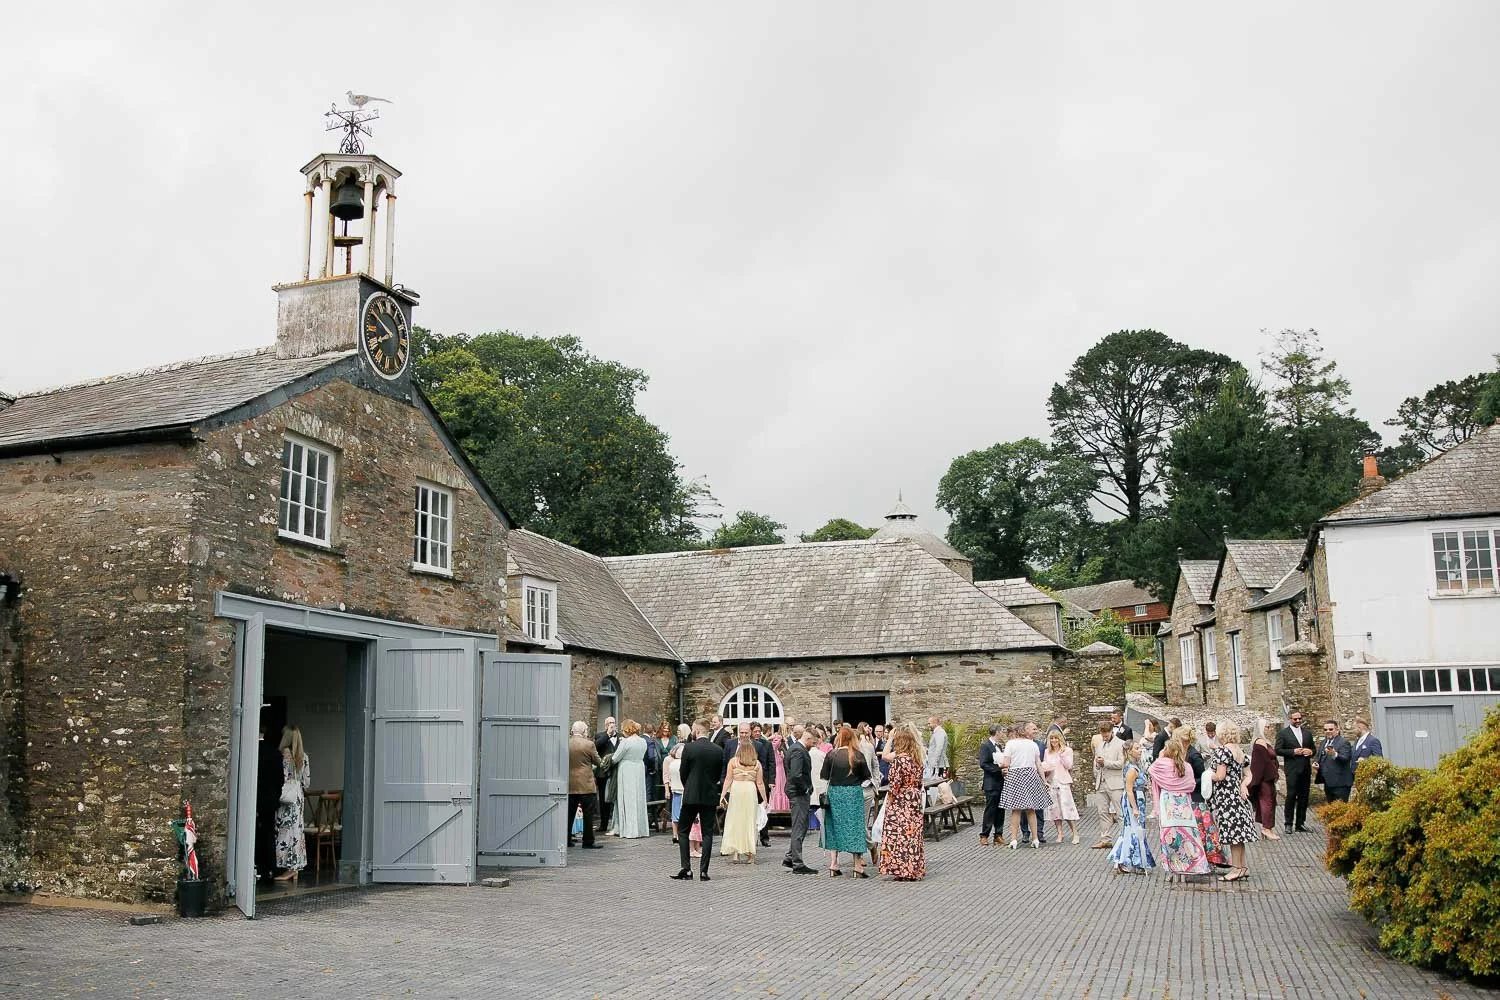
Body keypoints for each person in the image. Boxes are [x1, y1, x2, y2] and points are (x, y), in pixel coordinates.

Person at [1148, 738, 1210, 881]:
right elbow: (1191, 784)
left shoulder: (1161, 764)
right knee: (1187, 835)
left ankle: (1173, 868)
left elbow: (1151, 770)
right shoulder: (1186, 766)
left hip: (1168, 803)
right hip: (1184, 804)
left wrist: (1161, 755)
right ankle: (1190, 866)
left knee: (1170, 837)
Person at [673, 719, 724, 881]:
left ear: (696, 730)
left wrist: (688, 786)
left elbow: (683, 772)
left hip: (691, 794)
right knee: (707, 832)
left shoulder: (689, 748)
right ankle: (704, 871)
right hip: (709, 795)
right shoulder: (718, 750)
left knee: (683, 830)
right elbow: (717, 775)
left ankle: (686, 868)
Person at [1208, 722, 1258, 882]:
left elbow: (1220, 776)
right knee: (1239, 835)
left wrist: (1209, 775)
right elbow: (1249, 774)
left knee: (1232, 835)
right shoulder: (1239, 751)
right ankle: (1243, 867)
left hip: (1227, 797)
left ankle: (1236, 869)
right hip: (1238, 796)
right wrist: (1242, 784)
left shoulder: (1222, 751)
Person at [820, 727, 872, 877]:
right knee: (855, 827)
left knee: (833, 826)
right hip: (853, 793)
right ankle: (857, 866)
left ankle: (833, 864)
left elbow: (824, 775)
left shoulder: (831, 754)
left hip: (835, 793)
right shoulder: (857, 755)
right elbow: (866, 776)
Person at [878, 725, 927, 881]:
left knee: (898, 834)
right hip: (914, 797)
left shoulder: (900, 759)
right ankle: (914, 868)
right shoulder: (917, 757)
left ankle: (901, 869)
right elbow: (919, 781)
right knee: (912, 834)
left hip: (901, 800)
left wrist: (890, 801)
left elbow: (895, 784)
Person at [1178, 726, 1226, 868]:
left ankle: (1208, 858)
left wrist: (1189, 782)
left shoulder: (1194, 754)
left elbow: (1203, 777)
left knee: (1202, 830)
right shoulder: (1183, 752)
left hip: (1196, 797)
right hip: (1187, 795)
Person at [999, 722, 1051, 849]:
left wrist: (1001, 766)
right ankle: (1035, 839)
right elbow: (1038, 764)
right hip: (1030, 774)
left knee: (1016, 810)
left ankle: (1013, 839)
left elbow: (1006, 763)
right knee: (1031, 809)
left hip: (1015, 775)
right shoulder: (1032, 744)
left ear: (1015, 732)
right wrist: (1044, 781)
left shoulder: (1011, 744)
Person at [1109, 741, 1155, 875]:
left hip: (1138, 797)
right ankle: (1125, 860)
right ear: (1129, 751)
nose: (1140, 750)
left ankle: (1133, 860)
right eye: (1137, 748)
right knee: (1133, 830)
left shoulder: (1135, 767)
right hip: (1132, 800)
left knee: (1136, 830)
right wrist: (1134, 808)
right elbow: (1129, 790)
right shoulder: (1131, 769)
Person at [719, 740, 766, 863]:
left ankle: (736, 853)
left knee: (735, 820)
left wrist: (722, 794)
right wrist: (765, 799)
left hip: (737, 790)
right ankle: (751, 854)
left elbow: (728, 779)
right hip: (750, 791)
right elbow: (760, 783)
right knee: (750, 821)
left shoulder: (733, 762)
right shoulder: (757, 764)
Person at [274, 725, 310, 883]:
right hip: (297, 798)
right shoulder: (304, 758)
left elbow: (279, 777)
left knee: (283, 831)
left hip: (284, 797)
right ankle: (294, 867)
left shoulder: (282, 756)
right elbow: (307, 782)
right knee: (296, 832)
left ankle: (287, 867)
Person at [782, 726, 817, 874]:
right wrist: (806, 788)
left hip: (797, 791)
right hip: (798, 792)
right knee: (799, 825)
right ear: (808, 739)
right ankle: (797, 863)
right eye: (813, 743)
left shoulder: (797, 749)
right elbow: (796, 775)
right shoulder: (798, 751)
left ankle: (790, 857)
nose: (813, 746)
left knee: (801, 825)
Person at [1275, 710, 1316, 833]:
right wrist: (1293, 752)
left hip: (1305, 769)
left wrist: (1311, 752)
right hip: (1292, 769)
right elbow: (1278, 749)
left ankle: (1300, 823)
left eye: (1299, 718)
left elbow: (1313, 748)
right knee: (1291, 795)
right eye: (1295, 719)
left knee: (1304, 796)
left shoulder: (1307, 733)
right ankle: (1288, 823)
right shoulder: (1283, 733)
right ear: (1290, 719)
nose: (1298, 721)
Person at [607, 720, 650, 839]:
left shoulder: (626, 742)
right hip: (639, 768)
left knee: (627, 798)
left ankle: (629, 830)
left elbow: (615, 758)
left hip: (627, 770)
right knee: (638, 797)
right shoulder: (643, 741)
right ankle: (641, 829)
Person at [568, 721, 604, 850]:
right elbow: (598, 762)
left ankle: (566, 839)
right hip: (586, 784)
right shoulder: (589, 745)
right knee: (588, 814)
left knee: (569, 813)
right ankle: (588, 841)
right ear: (584, 731)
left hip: (570, 785)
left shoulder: (566, 743)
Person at [1041, 730, 1080, 844]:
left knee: (1067, 808)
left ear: (1060, 739)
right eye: (1052, 738)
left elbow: (1069, 765)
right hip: (1052, 782)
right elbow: (1045, 765)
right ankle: (1060, 833)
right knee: (1055, 810)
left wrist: (1062, 754)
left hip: (1063, 782)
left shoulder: (1067, 750)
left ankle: (1075, 833)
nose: (1054, 740)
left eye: (1056, 738)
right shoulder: (1047, 752)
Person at [1090, 722, 1126, 849]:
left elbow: (1121, 763)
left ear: (1112, 732)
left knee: (1120, 813)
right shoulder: (1099, 745)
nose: (1104, 737)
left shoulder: (1121, 744)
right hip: (1101, 782)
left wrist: (1105, 763)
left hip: (1116, 783)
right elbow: (1095, 762)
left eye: (1106, 734)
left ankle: (1124, 838)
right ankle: (1105, 839)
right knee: (1102, 812)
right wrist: (1097, 766)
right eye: (1102, 734)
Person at [1249, 720, 1281, 840]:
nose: (1270, 729)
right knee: (1266, 802)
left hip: (1269, 777)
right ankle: (1266, 828)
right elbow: (1260, 763)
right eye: (1267, 727)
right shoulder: (1259, 744)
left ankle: (1268, 827)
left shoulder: (1265, 742)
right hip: (1264, 779)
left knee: (1270, 802)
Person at [977, 724, 1007, 845]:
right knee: (990, 809)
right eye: (1001, 732)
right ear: (997, 732)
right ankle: (984, 835)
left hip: (1001, 781)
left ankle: (998, 834)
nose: (1002, 734)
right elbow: (983, 764)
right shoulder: (986, 746)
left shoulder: (999, 746)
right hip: (991, 782)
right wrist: (998, 769)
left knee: (1001, 809)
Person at [751, 722, 776, 847]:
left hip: (764, 779)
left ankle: (764, 836)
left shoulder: (767, 744)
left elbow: (772, 762)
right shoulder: (749, 745)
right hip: (751, 780)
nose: (757, 733)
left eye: (758, 731)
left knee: (763, 808)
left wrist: (772, 780)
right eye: (755, 731)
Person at [594, 716, 621, 833]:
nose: (612, 725)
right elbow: (596, 746)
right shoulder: (600, 736)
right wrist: (608, 735)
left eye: (613, 722)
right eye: (609, 723)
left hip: (617, 771)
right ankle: (603, 824)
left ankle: (617, 824)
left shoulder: (620, 737)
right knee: (603, 800)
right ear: (606, 725)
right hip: (603, 773)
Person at [1317, 719, 1354, 803]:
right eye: (1325, 730)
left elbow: (1345, 758)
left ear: (1337, 730)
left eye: (1331, 729)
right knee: (1331, 809)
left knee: (1341, 810)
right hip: (1328, 782)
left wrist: (1334, 754)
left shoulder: (1343, 742)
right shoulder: (1323, 742)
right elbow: (1320, 757)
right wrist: (1316, 764)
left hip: (1341, 783)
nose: (1328, 731)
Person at [665, 723, 691, 843]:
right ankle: (681, 834)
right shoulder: (675, 763)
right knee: (680, 813)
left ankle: (676, 835)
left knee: (676, 813)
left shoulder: (673, 762)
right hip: (681, 789)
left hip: (676, 789)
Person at [925, 715, 949, 781]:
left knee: (939, 786)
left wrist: (935, 764)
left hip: (939, 765)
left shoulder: (940, 732)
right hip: (937, 765)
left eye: (929, 723)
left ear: (935, 723)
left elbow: (939, 749)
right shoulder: (936, 732)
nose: (928, 725)